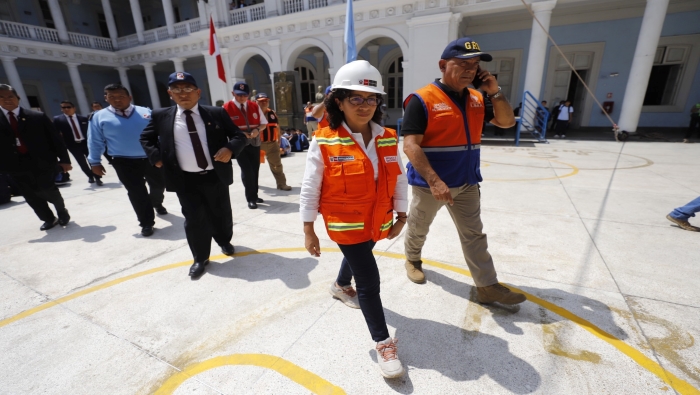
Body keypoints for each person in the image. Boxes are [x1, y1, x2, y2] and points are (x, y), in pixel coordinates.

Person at [301, 60, 408, 379]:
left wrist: (401, 214)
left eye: (371, 98)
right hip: (345, 225)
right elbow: (310, 186)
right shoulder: (324, 140)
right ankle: (383, 343)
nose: (365, 105)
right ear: (339, 101)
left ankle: (339, 285)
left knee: (361, 257)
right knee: (370, 279)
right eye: (356, 98)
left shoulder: (388, 137)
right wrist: (309, 229)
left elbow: (398, 178)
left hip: (378, 221)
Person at [401, 37, 527, 306]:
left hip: (468, 182)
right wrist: (434, 181)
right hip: (431, 184)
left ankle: (487, 286)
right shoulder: (422, 99)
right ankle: (412, 258)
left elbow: (507, 122)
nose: (470, 70)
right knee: (419, 225)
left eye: (475, 64)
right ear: (443, 65)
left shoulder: (478, 97)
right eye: (463, 64)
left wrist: (494, 91)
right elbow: (410, 145)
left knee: (474, 235)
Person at [141, 72, 248, 278]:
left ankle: (224, 240)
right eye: (177, 89)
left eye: (188, 88)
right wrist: (156, 157)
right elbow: (146, 138)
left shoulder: (216, 113)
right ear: (169, 93)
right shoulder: (161, 116)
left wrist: (229, 149)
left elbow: (238, 135)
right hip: (184, 179)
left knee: (221, 213)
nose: (183, 94)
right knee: (193, 218)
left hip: (214, 175)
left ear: (198, 92)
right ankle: (200, 257)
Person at [88, 83, 167, 237]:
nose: (117, 100)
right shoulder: (98, 117)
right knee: (136, 192)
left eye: (121, 96)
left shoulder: (146, 112)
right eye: (112, 97)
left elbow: (159, 135)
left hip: (151, 158)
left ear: (129, 97)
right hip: (123, 161)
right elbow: (95, 140)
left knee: (159, 185)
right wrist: (95, 161)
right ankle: (146, 223)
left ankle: (156, 202)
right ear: (106, 98)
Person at [0, 84, 72, 230]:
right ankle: (48, 219)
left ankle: (61, 211)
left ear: (18, 98)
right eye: (1, 97)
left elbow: (56, 140)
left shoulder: (37, 116)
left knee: (48, 189)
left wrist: (64, 160)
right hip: (14, 166)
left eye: (10, 96)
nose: (6, 100)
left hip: (42, 162)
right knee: (30, 195)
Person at [223, 81, 267, 209]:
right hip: (239, 143)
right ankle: (251, 198)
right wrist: (240, 134)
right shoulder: (226, 108)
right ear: (233, 93)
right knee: (247, 170)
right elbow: (224, 128)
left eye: (244, 95)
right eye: (239, 95)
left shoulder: (254, 106)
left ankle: (255, 194)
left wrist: (257, 130)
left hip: (254, 142)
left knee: (255, 169)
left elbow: (263, 124)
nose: (242, 98)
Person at [53, 101, 103, 186]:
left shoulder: (83, 118)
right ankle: (90, 176)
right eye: (63, 108)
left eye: (68, 107)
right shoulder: (58, 119)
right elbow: (56, 134)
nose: (66, 109)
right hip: (73, 145)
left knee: (92, 161)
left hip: (86, 143)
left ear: (74, 108)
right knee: (81, 162)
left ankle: (97, 177)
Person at [255, 93, 292, 191]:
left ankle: (281, 184)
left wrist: (279, 141)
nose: (265, 102)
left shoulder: (272, 113)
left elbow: (277, 127)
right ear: (256, 102)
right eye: (262, 101)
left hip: (272, 144)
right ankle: (252, 184)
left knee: (277, 165)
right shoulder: (253, 114)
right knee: (254, 166)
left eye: (266, 100)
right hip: (258, 144)